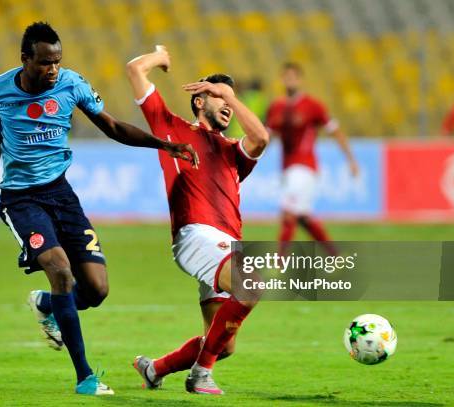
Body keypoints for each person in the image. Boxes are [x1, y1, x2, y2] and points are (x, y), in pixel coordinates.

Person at [0, 23, 197, 396]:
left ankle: (47, 305)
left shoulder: (71, 84)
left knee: (97, 289)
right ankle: (85, 377)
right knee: (60, 270)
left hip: (62, 194)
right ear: (25, 59)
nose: (52, 70)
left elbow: (110, 126)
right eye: (44, 63)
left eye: (57, 62)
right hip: (21, 199)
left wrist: (163, 145)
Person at [125, 45, 269, 395]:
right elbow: (134, 70)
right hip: (196, 235)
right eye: (218, 96)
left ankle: (154, 369)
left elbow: (261, 138)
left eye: (229, 99)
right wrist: (161, 57)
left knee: (224, 344)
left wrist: (231, 98)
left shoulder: (234, 153)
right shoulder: (171, 128)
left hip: (223, 245)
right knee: (251, 283)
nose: (226, 104)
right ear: (200, 100)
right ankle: (200, 375)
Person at [265, 62, 358, 255]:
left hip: (305, 167)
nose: (289, 80)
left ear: (300, 80)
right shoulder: (276, 107)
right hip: (286, 168)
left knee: (288, 213)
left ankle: (279, 261)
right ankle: (334, 254)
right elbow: (266, 137)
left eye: (293, 77)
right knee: (301, 217)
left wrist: (351, 160)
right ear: (282, 79)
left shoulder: (313, 106)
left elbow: (336, 132)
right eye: (286, 77)